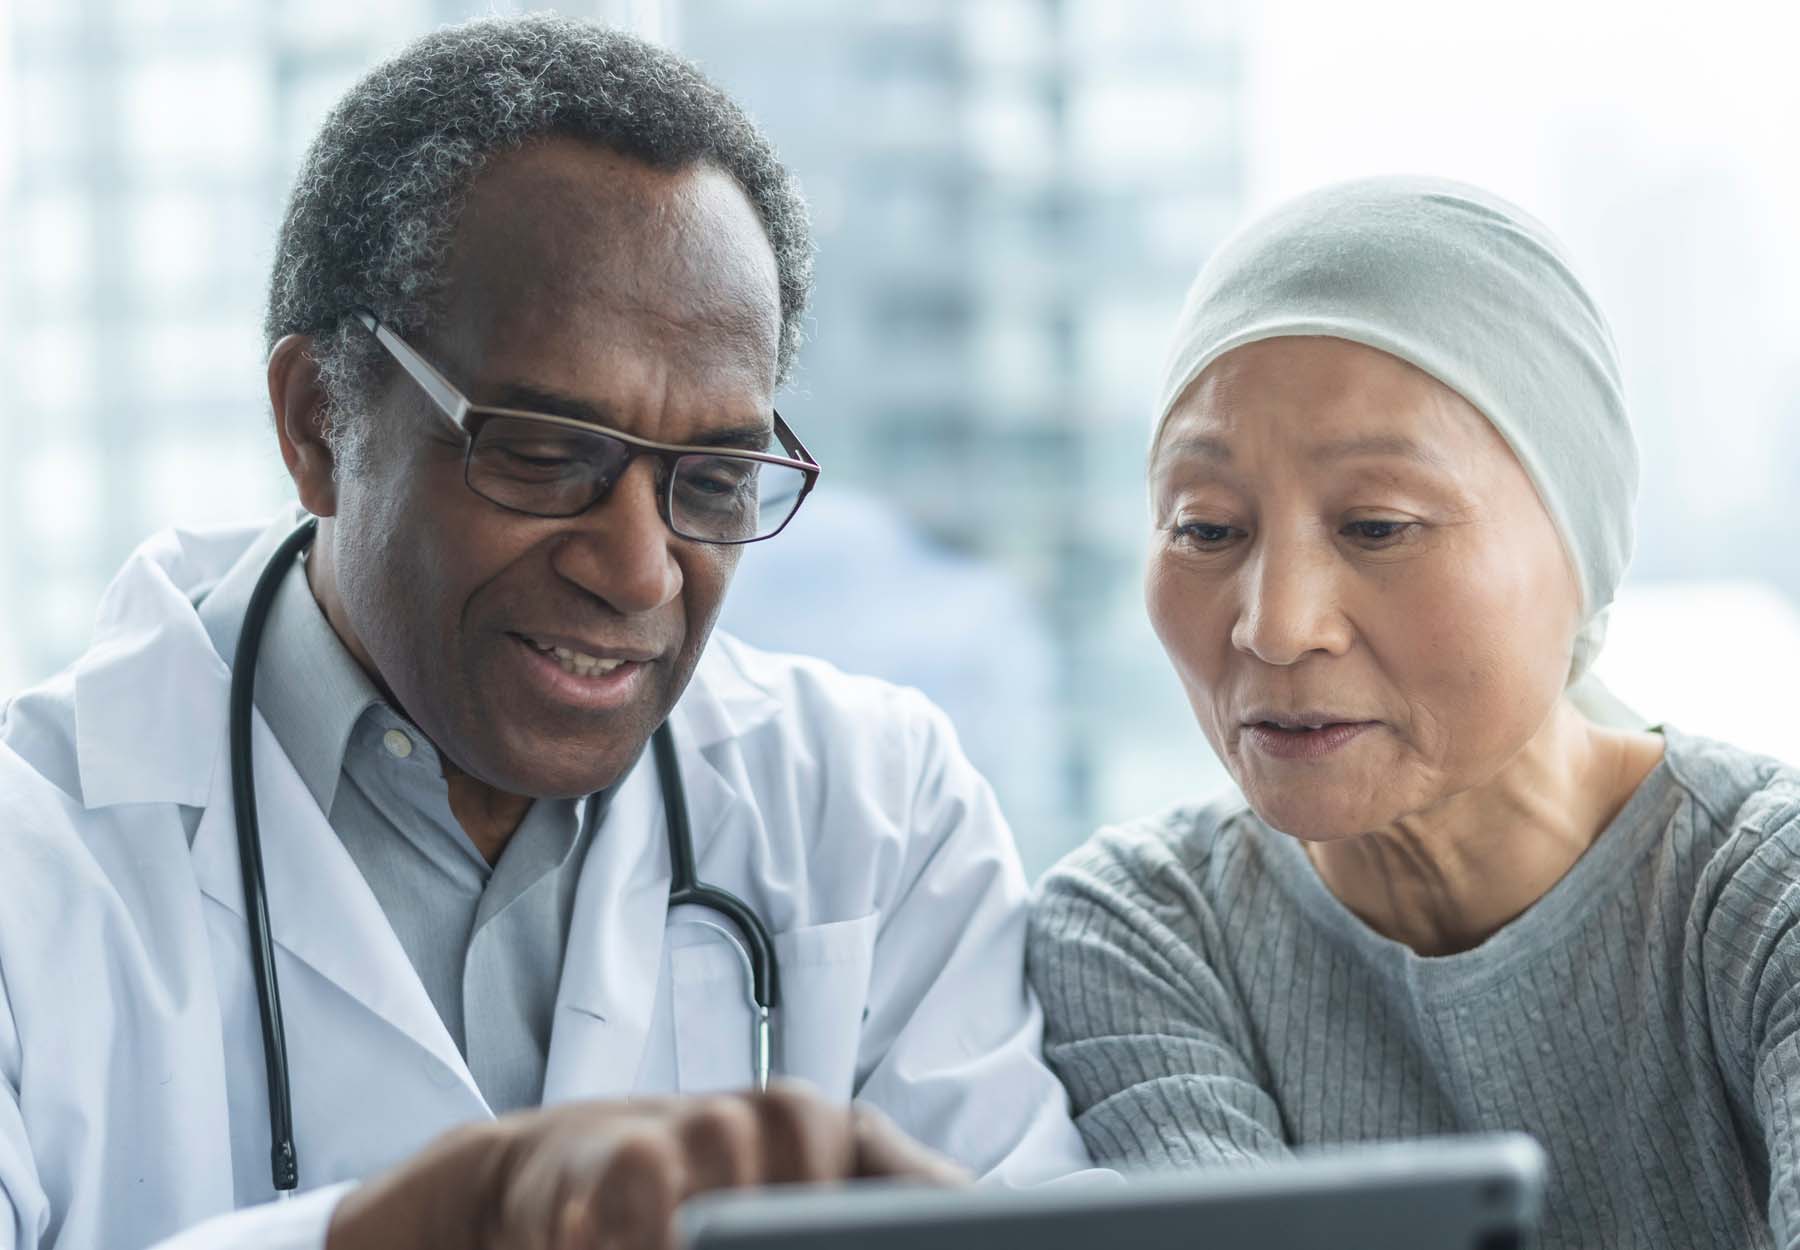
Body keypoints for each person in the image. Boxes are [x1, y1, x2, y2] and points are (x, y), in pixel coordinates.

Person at [0, 16, 1091, 1250]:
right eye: (543, 453)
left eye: (716, 481)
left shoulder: (875, 811)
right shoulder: (35, 854)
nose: (639, 571)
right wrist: (419, 1227)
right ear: (318, 423)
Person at [1026, 176, 1800, 1249]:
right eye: (1205, 528)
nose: (1277, 626)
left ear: (1580, 552)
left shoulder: (1765, 900)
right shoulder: (1144, 928)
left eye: (1379, 525)